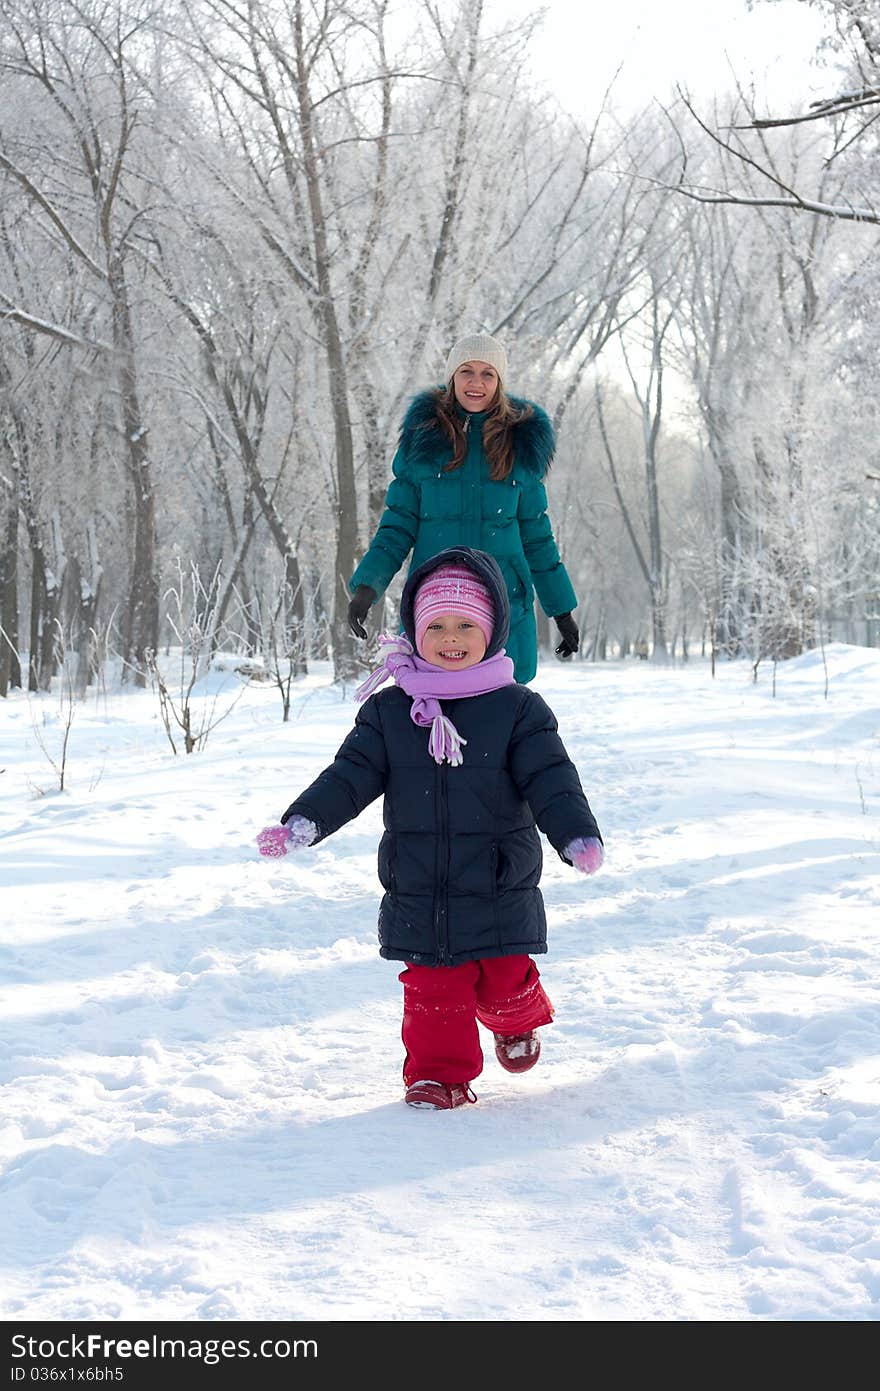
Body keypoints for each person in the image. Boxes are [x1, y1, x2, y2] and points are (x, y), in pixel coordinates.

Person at [258, 546, 603, 1110]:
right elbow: (349, 777)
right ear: (414, 632)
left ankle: (515, 1019)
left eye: (466, 624)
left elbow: (551, 779)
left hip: (499, 883)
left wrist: (575, 834)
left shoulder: (518, 709)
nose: (450, 636)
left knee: (503, 976)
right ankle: (438, 1076)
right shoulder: (391, 711)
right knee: (432, 992)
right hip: (420, 885)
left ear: (491, 631)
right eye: (435, 625)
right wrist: (302, 822)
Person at [347, 332, 580, 684]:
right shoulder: (423, 443)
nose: (476, 382)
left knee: (499, 721)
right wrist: (367, 588)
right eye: (466, 371)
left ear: (499, 381)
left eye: (488, 373)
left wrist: (561, 610)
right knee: (431, 711)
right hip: (436, 607)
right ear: (451, 377)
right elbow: (396, 528)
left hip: (502, 603)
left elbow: (537, 538)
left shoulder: (520, 446)